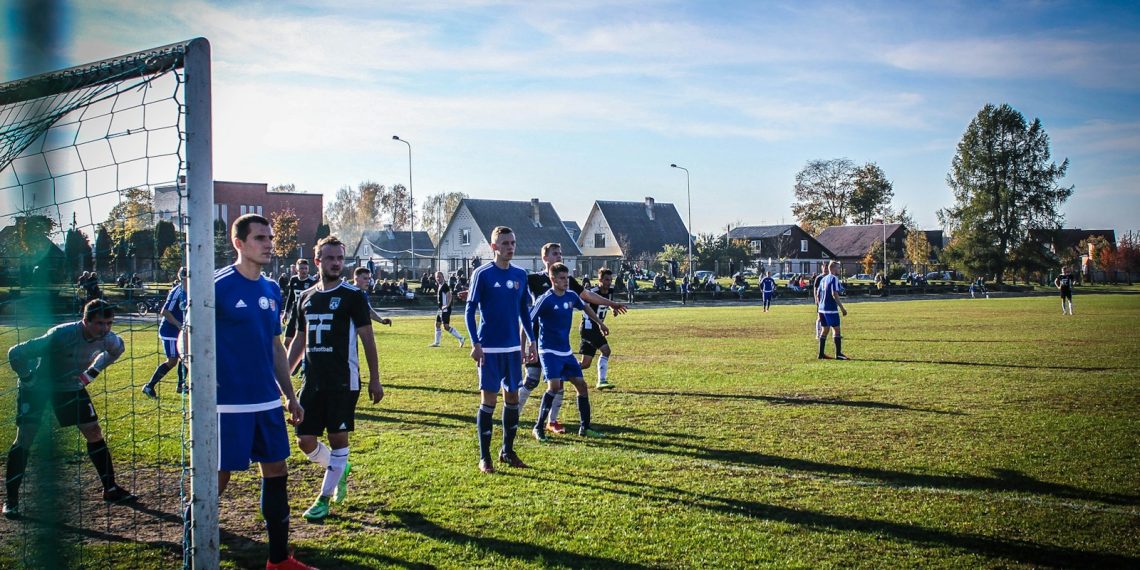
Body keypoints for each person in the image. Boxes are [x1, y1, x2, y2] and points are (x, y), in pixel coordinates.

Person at [214, 214, 312, 569]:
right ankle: (194, 539)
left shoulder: (272, 289)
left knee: (276, 471)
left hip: (267, 402)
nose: (269, 243)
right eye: (260, 238)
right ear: (238, 243)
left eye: (270, 237)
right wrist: (200, 375)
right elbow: (186, 339)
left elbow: (276, 349)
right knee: (219, 477)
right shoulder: (216, 286)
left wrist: (290, 395)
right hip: (228, 405)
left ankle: (278, 559)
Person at [4, 299, 135, 519]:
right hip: (38, 388)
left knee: (94, 431)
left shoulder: (110, 340)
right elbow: (15, 352)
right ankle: (11, 500)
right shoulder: (61, 335)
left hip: (70, 388)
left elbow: (116, 351)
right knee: (25, 437)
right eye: (99, 323)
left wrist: (91, 373)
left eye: (109, 323)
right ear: (85, 321)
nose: (105, 329)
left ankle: (110, 489)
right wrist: (28, 378)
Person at [287, 237, 383, 522]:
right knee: (304, 440)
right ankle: (339, 468)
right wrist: (282, 377)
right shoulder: (305, 297)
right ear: (317, 261)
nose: (336, 263)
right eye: (329, 258)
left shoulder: (353, 296)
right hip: (312, 381)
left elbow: (368, 340)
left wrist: (375, 379)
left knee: (338, 437)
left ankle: (324, 498)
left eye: (340, 258)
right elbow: (298, 342)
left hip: (344, 380)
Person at [520, 244, 628, 434]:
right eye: (555, 253)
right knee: (532, 380)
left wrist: (610, 305)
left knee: (561, 384)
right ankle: (514, 415)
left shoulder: (568, 282)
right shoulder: (534, 280)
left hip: (561, 344)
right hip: (538, 340)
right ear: (544, 257)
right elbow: (509, 292)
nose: (559, 256)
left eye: (561, 253)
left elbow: (586, 298)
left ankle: (552, 421)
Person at [465, 226, 537, 473]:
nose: (510, 247)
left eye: (513, 242)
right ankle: (485, 457)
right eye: (505, 243)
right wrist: (475, 343)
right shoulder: (482, 274)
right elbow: (469, 310)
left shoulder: (520, 274)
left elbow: (524, 312)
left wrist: (531, 340)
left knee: (513, 399)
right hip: (489, 350)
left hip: (513, 349)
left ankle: (507, 451)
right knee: (489, 401)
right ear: (494, 247)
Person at [530, 263, 609, 441]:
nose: (566, 282)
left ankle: (585, 427)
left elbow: (585, 306)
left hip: (565, 352)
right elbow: (528, 321)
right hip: (548, 351)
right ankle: (538, 426)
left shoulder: (571, 295)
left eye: (567, 278)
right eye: (562, 278)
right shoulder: (545, 299)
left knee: (581, 385)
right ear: (553, 279)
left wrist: (599, 322)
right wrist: (529, 345)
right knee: (555, 387)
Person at [142, 266, 188, 398]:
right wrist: (179, 324)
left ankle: (181, 385)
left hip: (181, 331)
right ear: (183, 277)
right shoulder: (177, 291)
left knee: (185, 356)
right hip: (170, 331)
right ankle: (149, 386)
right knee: (172, 361)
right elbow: (165, 312)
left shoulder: (192, 291)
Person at [579, 268, 619, 390]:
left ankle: (561, 370)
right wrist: (600, 324)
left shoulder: (609, 291)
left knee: (585, 364)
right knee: (606, 351)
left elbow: (607, 302)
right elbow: (587, 309)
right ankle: (602, 381)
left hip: (593, 328)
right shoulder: (592, 292)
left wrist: (613, 308)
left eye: (610, 280)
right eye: (606, 280)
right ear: (600, 280)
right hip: (589, 327)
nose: (609, 282)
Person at [281, 259, 317, 359]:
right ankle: (292, 363)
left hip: (305, 315)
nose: (304, 270)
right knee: (286, 341)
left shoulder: (312, 282)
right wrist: (286, 312)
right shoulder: (294, 280)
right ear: (297, 269)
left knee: (304, 342)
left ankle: (303, 363)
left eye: (305, 268)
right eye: (301, 268)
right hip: (294, 314)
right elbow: (291, 296)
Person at [815, 261, 849, 360]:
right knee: (837, 330)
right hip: (831, 309)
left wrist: (820, 305)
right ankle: (838, 354)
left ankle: (821, 354)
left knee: (825, 330)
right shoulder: (834, 278)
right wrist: (842, 308)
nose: (839, 270)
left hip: (822, 309)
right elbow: (834, 294)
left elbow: (818, 294)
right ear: (833, 269)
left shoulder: (823, 279)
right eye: (838, 268)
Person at [429, 270, 465, 347]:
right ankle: (437, 342)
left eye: (439, 277)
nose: (438, 278)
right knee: (437, 324)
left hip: (445, 309)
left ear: (443, 277)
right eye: (437, 277)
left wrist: (447, 305)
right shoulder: (440, 285)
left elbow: (449, 296)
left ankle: (461, 338)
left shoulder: (445, 286)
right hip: (440, 309)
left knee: (446, 327)